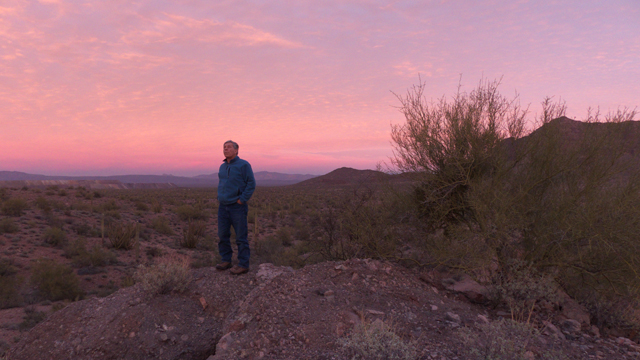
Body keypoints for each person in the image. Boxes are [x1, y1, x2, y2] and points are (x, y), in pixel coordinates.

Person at [215, 140, 256, 275]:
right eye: (224, 147)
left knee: (241, 237)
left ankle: (243, 264)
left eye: (228, 147)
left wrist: (242, 200)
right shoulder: (222, 166)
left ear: (236, 150)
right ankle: (226, 260)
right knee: (222, 235)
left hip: (237, 207)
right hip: (223, 206)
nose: (225, 149)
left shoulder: (243, 165)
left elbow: (251, 183)